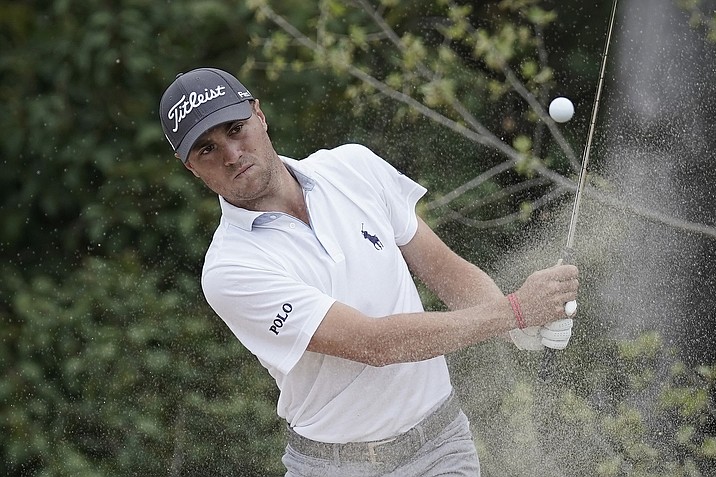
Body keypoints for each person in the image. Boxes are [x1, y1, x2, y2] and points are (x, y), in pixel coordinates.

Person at [159, 67, 579, 477]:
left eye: (235, 129)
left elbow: (445, 271)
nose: (232, 155)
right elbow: (373, 344)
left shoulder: (352, 167)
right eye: (207, 149)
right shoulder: (230, 269)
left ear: (260, 115)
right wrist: (514, 312)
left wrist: (514, 324)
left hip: (441, 447)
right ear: (191, 167)